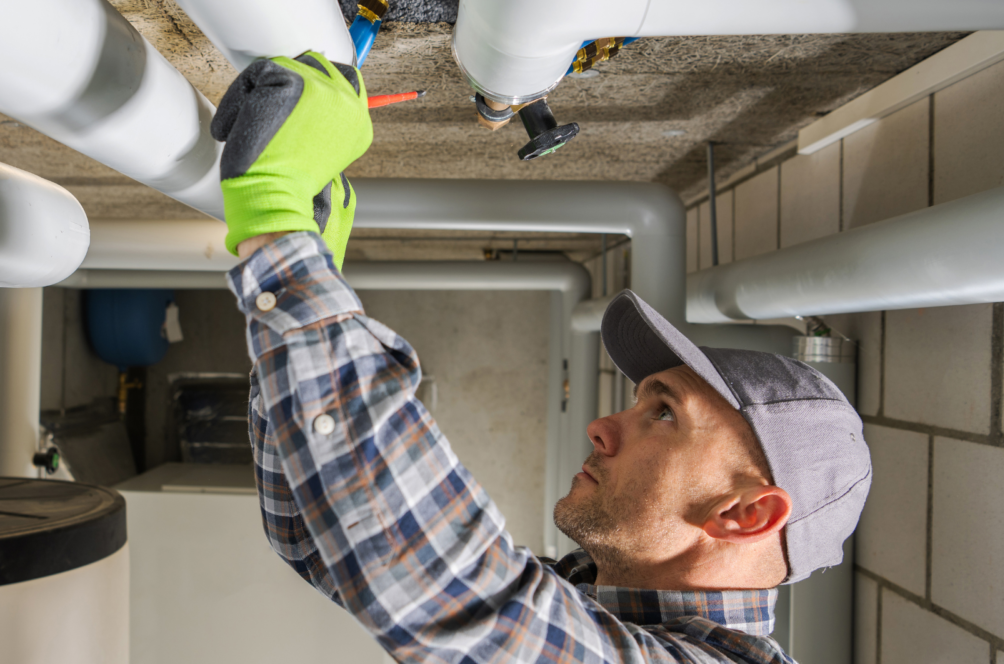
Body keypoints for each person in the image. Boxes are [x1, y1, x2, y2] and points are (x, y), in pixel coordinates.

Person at [212, 51, 872, 663]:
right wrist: (309, 262)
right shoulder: (594, 600)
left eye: (665, 414)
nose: (601, 427)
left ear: (745, 514)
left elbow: (465, 601)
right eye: (645, 404)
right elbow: (323, 539)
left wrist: (279, 225)